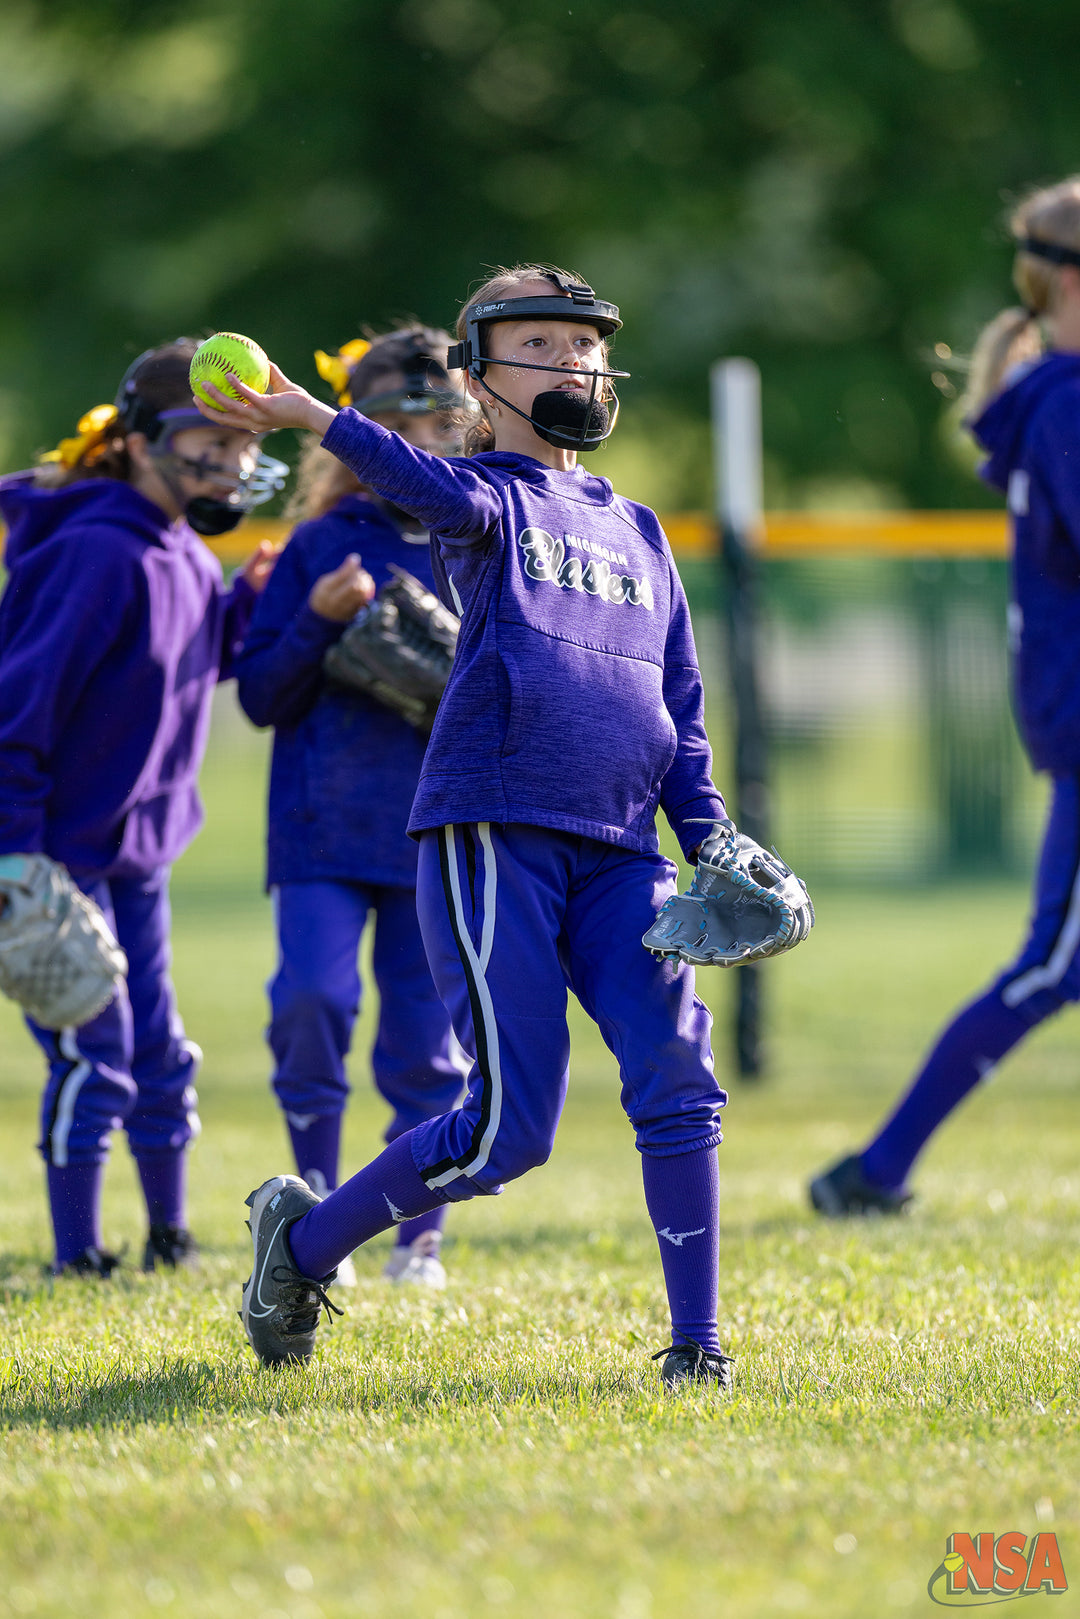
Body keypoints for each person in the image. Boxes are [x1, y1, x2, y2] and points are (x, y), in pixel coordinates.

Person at [196, 265, 736, 1392]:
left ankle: (699, 1346)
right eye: (538, 344)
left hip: (625, 846)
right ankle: (297, 1248)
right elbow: (419, 480)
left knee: (680, 1071)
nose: (572, 362)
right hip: (498, 828)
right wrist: (312, 414)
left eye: (584, 344)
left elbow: (679, 711)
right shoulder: (484, 495)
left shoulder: (637, 528)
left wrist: (716, 838)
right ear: (482, 381)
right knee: (506, 1131)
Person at [810, 176, 1080, 1216]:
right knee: (1055, 962)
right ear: (1062, 282)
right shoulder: (1063, 399)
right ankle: (873, 1170)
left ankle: (874, 1169)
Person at [0, 339, 282, 1274]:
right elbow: (20, 710)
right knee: (100, 1045)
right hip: (57, 857)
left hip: (139, 854)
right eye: (212, 437)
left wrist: (267, 605)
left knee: (160, 1050)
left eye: (245, 445)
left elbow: (197, 661)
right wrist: (15, 857)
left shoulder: (187, 557)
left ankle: (168, 1236)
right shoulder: (91, 551)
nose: (234, 462)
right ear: (136, 440)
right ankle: (76, 1250)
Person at [235, 327, 470, 1289]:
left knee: (427, 1045)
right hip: (324, 824)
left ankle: (420, 1238)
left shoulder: (478, 537)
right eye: (389, 424)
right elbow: (259, 697)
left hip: (437, 828)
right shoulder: (319, 544)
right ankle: (316, 1204)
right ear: (349, 433)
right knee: (312, 1001)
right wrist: (321, 622)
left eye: (435, 424)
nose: (413, 441)